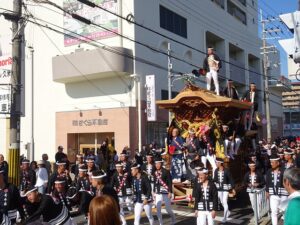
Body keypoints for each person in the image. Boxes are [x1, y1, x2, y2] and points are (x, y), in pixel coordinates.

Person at [266, 154, 288, 225]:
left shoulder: (284, 170)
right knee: (274, 212)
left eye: (273, 162)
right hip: (273, 194)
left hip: (283, 194)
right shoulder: (269, 171)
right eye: (271, 162)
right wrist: (267, 191)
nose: (271, 164)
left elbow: (287, 182)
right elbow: (268, 182)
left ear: (278, 163)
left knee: (284, 211)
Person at [153, 156, 175, 225]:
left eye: (158, 164)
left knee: (168, 209)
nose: (157, 165)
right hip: (158, 192)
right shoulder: (155, 172)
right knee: (158, 209)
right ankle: (161, 223)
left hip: (165, 192)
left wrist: (170, 192)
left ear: (161, 164)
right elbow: (154, 182)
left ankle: (173, 218)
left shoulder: (166, 171)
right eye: (156, 164)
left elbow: (169, 182)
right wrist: (153, 191)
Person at [213, 158, 234, 223]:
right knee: (222, 201)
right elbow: (215, 179)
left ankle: (225, 217)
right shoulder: (216, 170)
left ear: (220, 163)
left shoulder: (226, 170)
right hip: (219, 188)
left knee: (224, 201)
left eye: (217, 162)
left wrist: (232, 188)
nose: (216, 164)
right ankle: (228, 212)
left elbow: (231, 179)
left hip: (225, 188)